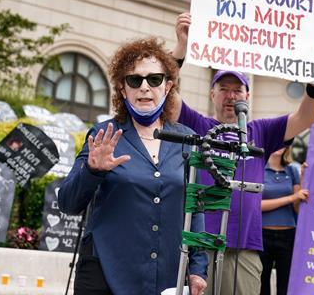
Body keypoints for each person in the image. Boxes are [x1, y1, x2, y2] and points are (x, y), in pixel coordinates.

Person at [169, 13, 314, 295]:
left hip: (245, 247)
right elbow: (166, 96)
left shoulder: (261, 131)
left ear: (248, 96)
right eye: (223, 89)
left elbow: (305, 118)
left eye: (238, 90)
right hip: (200, 245)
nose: (231, 96)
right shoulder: (198, 125)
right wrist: (180, 48)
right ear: (212, 95)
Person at [58, 38, 207, 295]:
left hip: (166, 275)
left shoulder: (188, 140)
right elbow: (68, 203)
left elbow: (196, 210)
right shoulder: (103, 134)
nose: (145, 87)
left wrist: (198, 267)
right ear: (122, 88)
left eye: (155, 79)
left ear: (168, 85)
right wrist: (92, 171)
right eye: (135, 80)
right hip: (104, 272)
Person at [260, 147, 309, 295]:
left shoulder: (292, 170)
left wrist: (304, 180)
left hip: (288, 235)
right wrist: (291, 198)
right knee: (262, 283)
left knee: (286, 285)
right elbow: (257, 206)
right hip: (262, 234)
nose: (279, 145)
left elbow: (297, 208)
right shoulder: (259, 169)